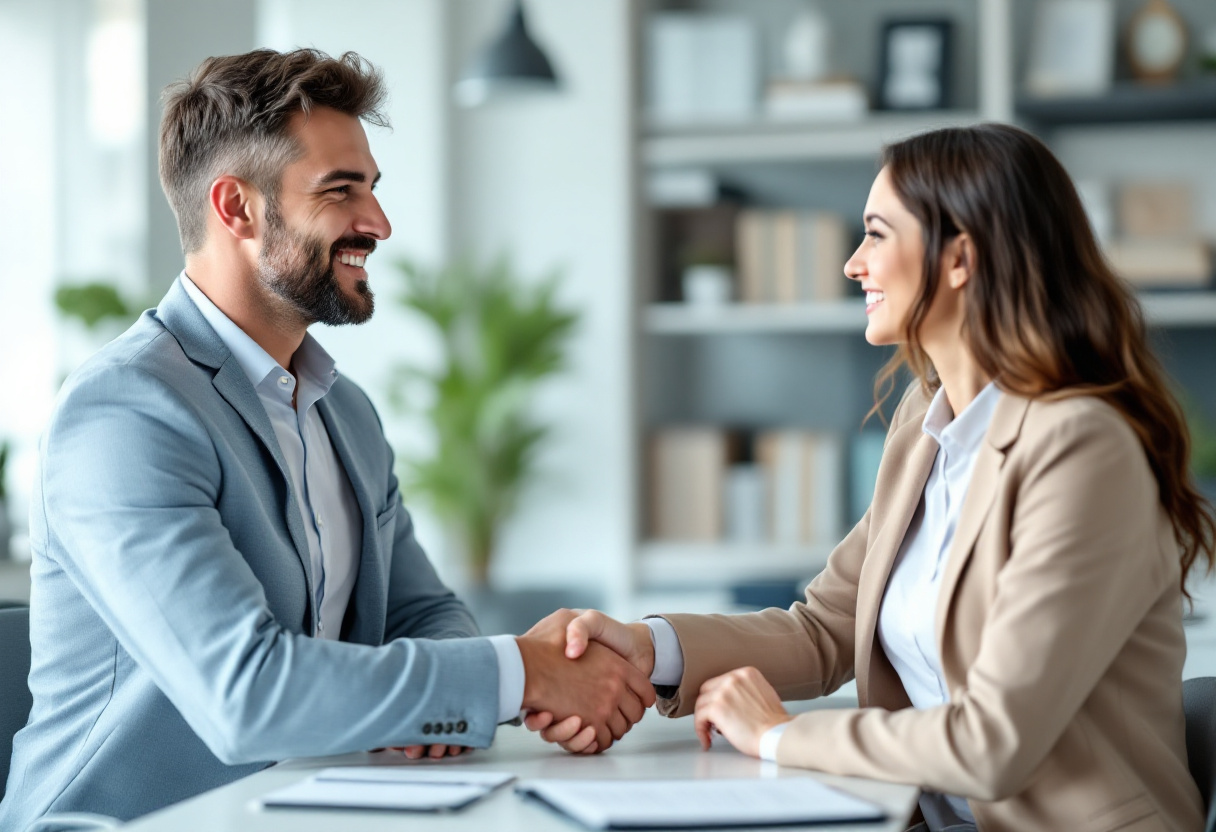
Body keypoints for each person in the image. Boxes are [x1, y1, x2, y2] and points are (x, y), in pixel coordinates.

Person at [0, 48, 653, 829]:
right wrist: (521, 676)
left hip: (298, 809)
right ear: (236, 208)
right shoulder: (126, 414)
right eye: (341, 191)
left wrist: (448, 702)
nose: (377, 223)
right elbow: (247, 695)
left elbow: (426, 615)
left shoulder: (347, 414)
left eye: (372, 189)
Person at [528, 124, 1215, 831]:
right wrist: (647, 647)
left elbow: (993, 742)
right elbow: (826, 628)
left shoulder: (1082, 449)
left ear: (960, 259)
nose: (854, 264)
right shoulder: (928, 422)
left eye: (877, 235)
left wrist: (778, 735)